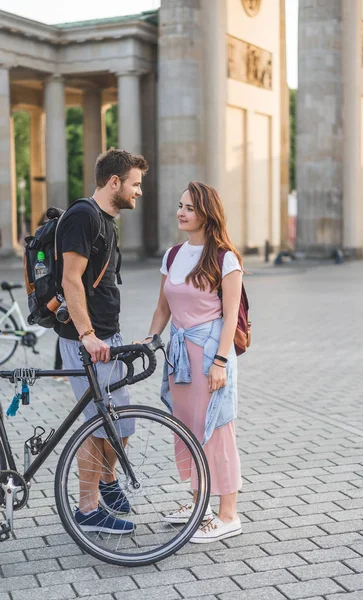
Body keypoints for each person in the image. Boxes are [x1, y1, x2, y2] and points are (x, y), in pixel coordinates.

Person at [56, 148, 149, 534]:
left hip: (106, 335)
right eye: (135, 184)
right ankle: (88, 509)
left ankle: (106, 484)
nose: (138, 192)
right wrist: (88, 335)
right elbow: (70, 279)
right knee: (101, 425)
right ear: (115, 182)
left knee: (115, 425)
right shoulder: (83, 217)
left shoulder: (105, 221)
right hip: (88, 340)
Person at [145, 181, 243, 543]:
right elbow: (162, 308)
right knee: (186, 428)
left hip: (210, 355)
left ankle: (229, 514)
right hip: (179, 356)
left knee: (216, 431)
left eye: (188, 207)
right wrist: (151, 339)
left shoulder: (224, 258)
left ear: (206, 213)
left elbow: (230, 316)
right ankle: (199, 502)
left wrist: (219, 361)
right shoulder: (172, 255)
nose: (180, 212)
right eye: (180, 205)